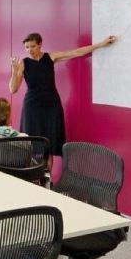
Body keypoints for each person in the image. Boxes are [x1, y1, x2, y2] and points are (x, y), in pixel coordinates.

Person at [9, 32, 117, 170]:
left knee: (49, 145)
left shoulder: (51, 57)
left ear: (40, 44)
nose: (30, 50)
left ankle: (48, 181)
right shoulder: (23, 63)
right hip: (32, 108)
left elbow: (76, 52)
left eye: (33, 46)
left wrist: (101, 44)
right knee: (32, 144)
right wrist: (14, 70)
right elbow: (13, 89)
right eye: (27, 47)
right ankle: (33, 178)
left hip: (52, 106)